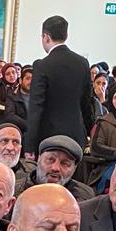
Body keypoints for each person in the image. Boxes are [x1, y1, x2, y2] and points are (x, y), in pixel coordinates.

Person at [25, 15, 94, 151]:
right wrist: (89, 130)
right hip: (76, 135)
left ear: (46, 37)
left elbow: (36, 108)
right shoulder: (82, 63)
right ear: (66, 35)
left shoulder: (42, 66)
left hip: (49, 137)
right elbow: (86, 103)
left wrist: (30, 145)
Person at [29, 135, 95, 202]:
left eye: (65, 163)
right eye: (50, 159)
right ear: (39, 159)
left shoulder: (84, 197)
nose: (55, 168)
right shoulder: (21, 189)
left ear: (74, 169)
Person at [0, 120, 33, 194]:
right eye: (4, 141)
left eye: (15, 142)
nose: (10, 147)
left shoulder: (32, 172)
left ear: (20, 148)